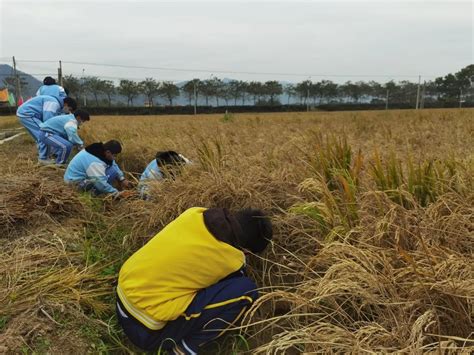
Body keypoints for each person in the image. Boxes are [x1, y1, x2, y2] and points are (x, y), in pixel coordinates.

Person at [116, 207, 273, 354]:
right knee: (246, 291)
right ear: (246, 252)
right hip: (145, 330)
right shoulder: (233, 260)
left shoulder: (194, 214)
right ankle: (184, 350)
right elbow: (234, 285)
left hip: (122, 295)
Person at [16, 96, 77, 163]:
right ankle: (43, 158)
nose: (68, 112)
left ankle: (46, 155)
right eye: (69, 109)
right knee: (45, 133)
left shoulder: (56, 103)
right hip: (28, 114)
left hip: (27, 114)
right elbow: (48, 123)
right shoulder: (53, 103)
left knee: (42, 135)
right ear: (66, 104)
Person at [64, 140, 132, 196]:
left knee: (113, 171)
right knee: (99, 182)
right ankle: (91, 196)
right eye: (114, 155)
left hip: (82, 177)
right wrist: (117, 193)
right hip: (74, 184)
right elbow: (100, 183)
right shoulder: (95, 162)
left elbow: (113, 164)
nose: (115, 158)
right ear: (108, 152)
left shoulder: (100, 150)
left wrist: (122, 179)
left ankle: (104, 192)